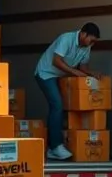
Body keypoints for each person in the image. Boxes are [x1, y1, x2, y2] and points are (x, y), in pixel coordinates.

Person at [34, 22, 103, 160]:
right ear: (83, 34)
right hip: (46, 74)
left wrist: (91, 73)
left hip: (60, 76)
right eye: (92, 39)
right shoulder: (66, 39)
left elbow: (83, 67)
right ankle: (55, 147)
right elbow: (56, 61)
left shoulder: (86, 46)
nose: (92, 44)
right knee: (57, 105)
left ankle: (60, 143)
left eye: (95, 41)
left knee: (65, 107)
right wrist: (75, 72)